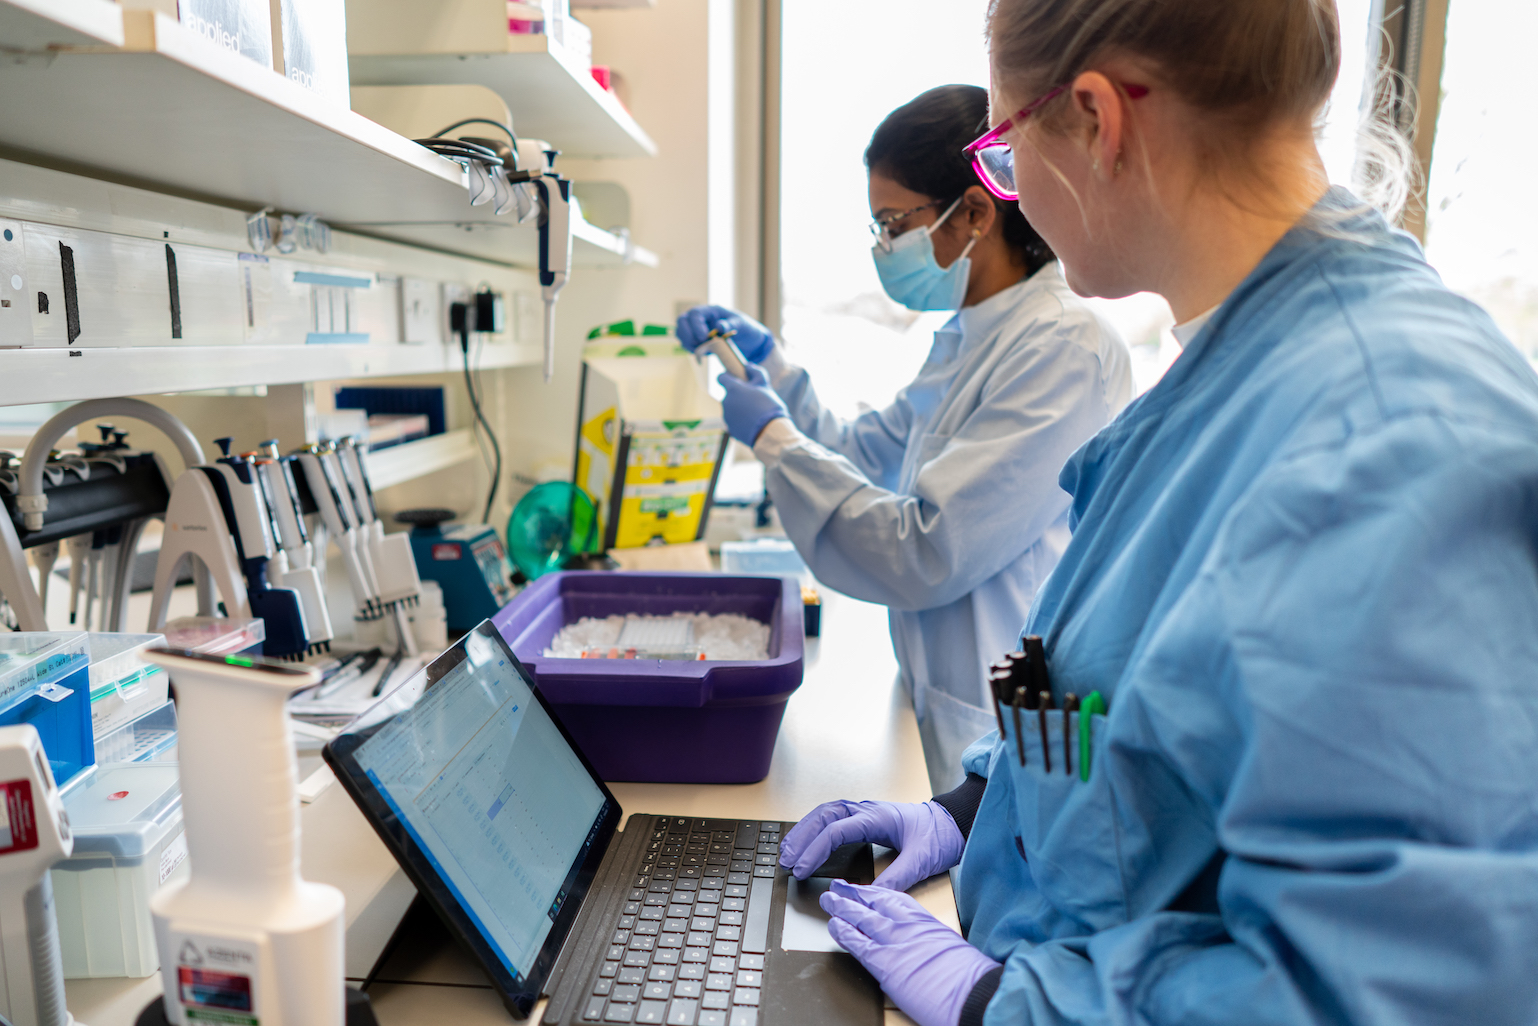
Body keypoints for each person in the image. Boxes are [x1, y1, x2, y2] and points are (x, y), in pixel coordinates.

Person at [777, 1, 1538, 1024]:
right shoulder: (1221, 373)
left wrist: (1002, 1001)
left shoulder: (1390, 440)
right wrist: (968, 810)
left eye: (1003, 147)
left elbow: (1395, 990)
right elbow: (1128, 707)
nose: (1008, 190)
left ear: (1095, 118)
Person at [677, 85, 1131, 791]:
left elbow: (927, 549)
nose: (884, 247)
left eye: (892, 223)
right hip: (939, 705)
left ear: (976, 211)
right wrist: (772, 370)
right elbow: (862, 454)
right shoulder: (967, 335)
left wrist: (770, 438)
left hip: (1002, 728)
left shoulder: (1062, 345)